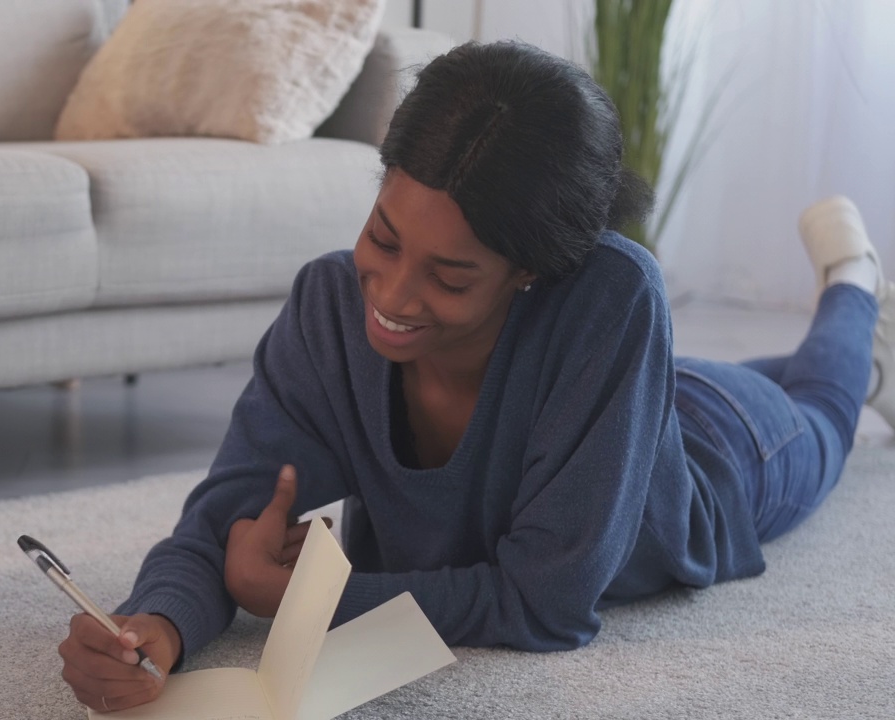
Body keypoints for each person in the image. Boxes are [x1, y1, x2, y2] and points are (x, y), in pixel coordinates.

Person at [56, 40, 894, 713]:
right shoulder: (328, 307)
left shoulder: (612, 292)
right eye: (383, 238)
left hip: (719, 447)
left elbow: (545, 606)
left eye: (450, 279)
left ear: (529, 271)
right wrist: (154, 624)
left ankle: (854, 283)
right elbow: (220, 521)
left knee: (826, 406)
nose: (390, 295)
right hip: (623, 394)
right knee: (739, 387)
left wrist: (309, 601)